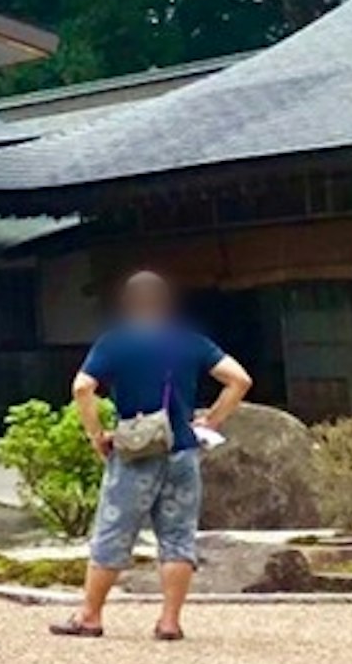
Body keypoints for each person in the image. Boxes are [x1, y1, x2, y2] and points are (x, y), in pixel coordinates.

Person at [55, 271, 249, 643]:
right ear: (165, 303)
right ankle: (169, 622)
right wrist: (212, 418)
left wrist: (97, 434)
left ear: (128, 303)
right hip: (182, 451)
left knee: (114, 532)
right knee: (177, 537)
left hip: (135, 453)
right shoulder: (189, 342)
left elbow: (83, 387)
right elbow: (239, 379)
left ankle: (90, 616)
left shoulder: (116, 342)